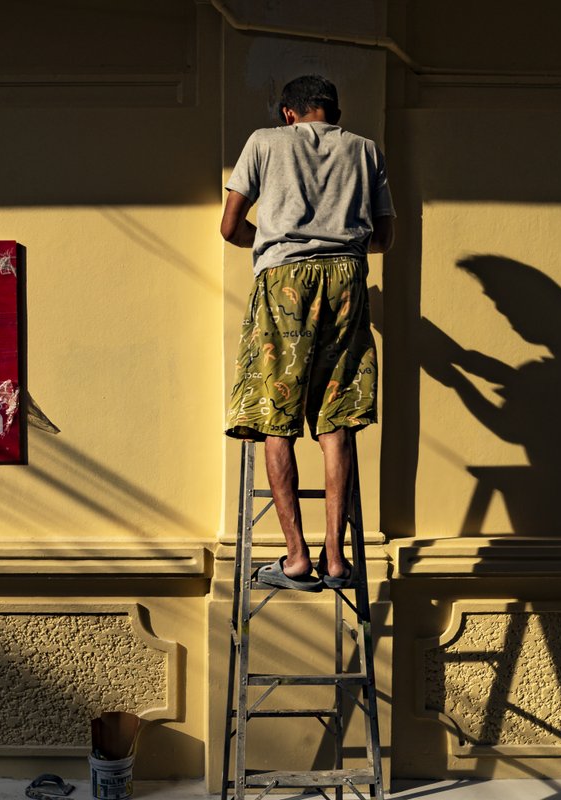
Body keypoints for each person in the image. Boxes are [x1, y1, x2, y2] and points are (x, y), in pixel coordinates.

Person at [221, 75, 395, 591]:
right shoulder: (366, 150)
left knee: (277, 417)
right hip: (347, 278)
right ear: (333, 112)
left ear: (289, 113)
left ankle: (296, 557)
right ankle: (336, 558)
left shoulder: (265, 141)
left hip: (283, 280)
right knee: (335, 419)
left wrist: (272, 243)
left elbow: (230, 226)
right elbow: (384, 236)